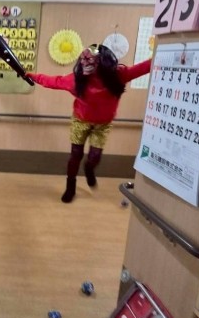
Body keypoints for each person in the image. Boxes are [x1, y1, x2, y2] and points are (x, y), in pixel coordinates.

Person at [26, 44, 151, 203]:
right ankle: (70, 186)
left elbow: (144, 67)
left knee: (94, 157)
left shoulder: (118, 75)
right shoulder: (76, 79)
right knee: (75, 154)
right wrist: (32, 76)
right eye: (83, 60)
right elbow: (53, 81)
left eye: (90, 60)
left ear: (102, 61)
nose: (85, 64)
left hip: (103, 125)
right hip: (81, 120)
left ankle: (89, 168)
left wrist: (170, 54)